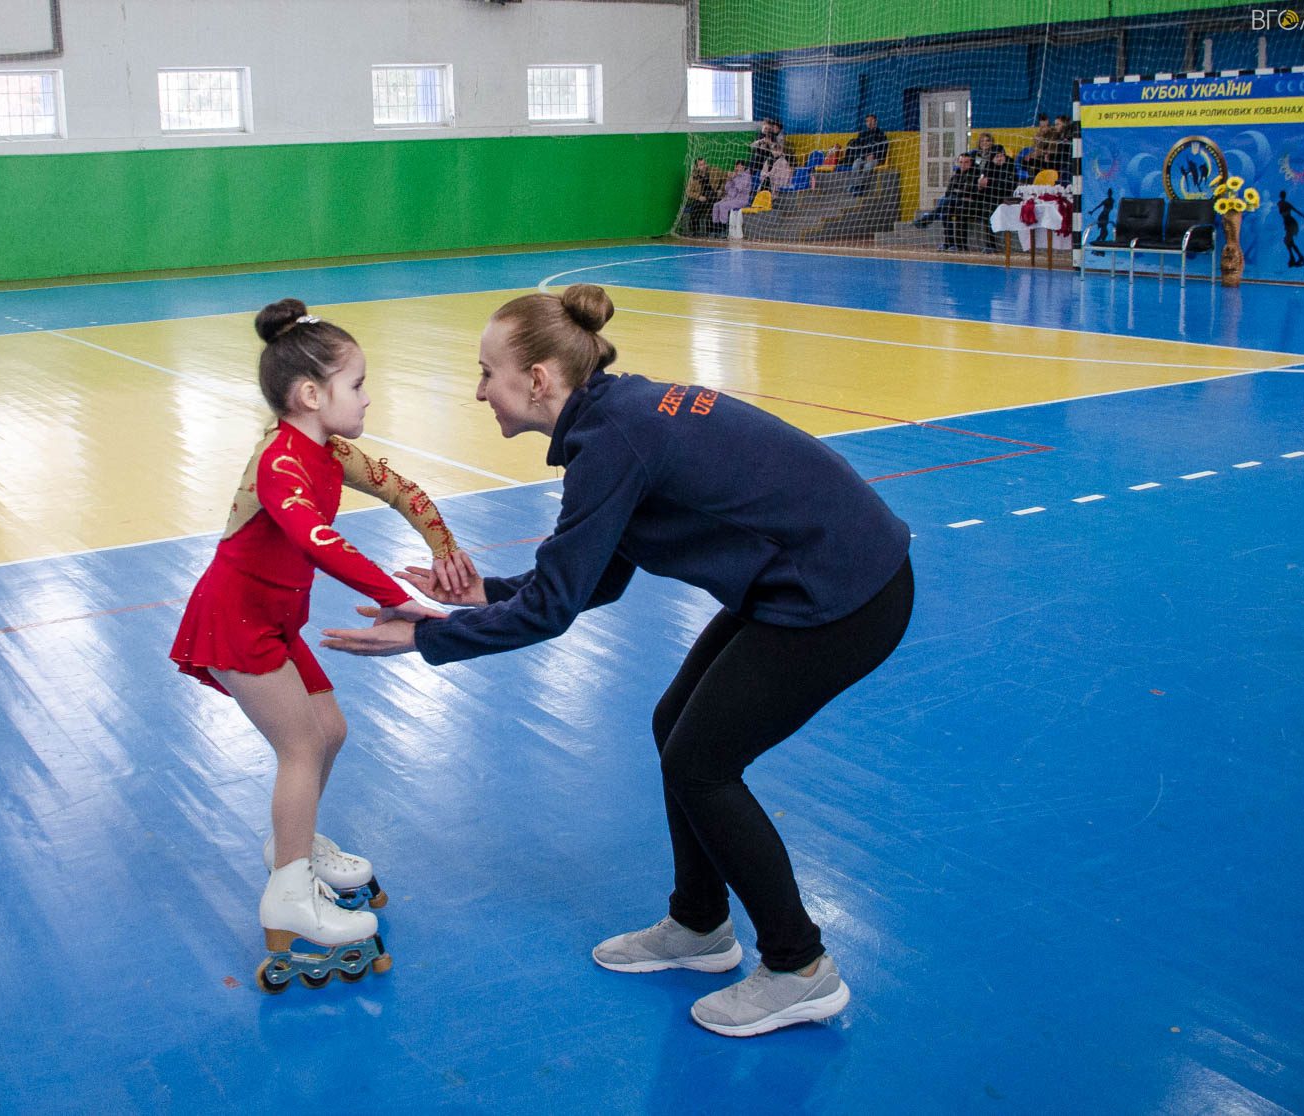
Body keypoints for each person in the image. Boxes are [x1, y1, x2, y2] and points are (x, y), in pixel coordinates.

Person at [322, 284, 915, 1038]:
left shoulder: (612, 442)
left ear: (538, 379)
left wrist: (425, 636)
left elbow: (553, 610)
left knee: (702, 763)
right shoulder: (614, 421)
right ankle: (700, 925)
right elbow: (597, 579)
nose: (478, 391)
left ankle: (800, 968)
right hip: (806, 580)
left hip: (846, 594)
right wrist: (482, 594)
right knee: (677, 727)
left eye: (486, 374)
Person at [169, 298, 467, 992]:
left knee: (330, 730)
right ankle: (287, 897)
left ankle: (292, 847)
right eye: (356, 384)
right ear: (310, 394)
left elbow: (403, 490)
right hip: (236, 619)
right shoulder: (280, 463)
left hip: (274, 620)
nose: (367, 397)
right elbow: (317, 540)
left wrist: (445, 550)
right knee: (300, 746)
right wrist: (398, 598)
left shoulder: (332, 453)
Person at [913, 151, 982, 251]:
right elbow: (948, 192)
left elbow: (968, 191)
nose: (963, 165)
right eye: (961, 162)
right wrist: (958, 193)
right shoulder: (956, 175)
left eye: (966, 162)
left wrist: (957, 192)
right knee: (946, 211)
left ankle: (928, 219)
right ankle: (949, 243)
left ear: (971, 163)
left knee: (947, 203)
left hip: (971, 204)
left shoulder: (975, 174)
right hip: (955, 202)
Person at [835, 114, 890, 194]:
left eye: (871, 121)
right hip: (864, 157)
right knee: (855, 164)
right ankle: (856, 186)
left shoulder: (881, 135)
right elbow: (858, 148)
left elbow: (883, 149)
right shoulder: (863, 135)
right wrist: (864, 156)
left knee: (868, 166)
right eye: (867, 121)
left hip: (875, 158)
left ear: (876, 122)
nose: (869, 123)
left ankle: (859, 187)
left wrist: (874, 155)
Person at [679, 157, 723, 237]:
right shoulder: (694, 177)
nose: (704, 166)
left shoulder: (714, 171)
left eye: (704, 164)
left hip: (713, 196)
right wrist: (698, 196)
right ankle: (695, 231)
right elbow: (688, 192)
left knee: (713, 210)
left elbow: (725, 176)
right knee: (694, 211)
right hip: (702, 197)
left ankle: (712, 232)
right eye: (701, 165)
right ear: (696, 167)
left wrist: (720, 189)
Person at [711, 159, 754, 230]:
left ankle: (723, 228)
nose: (737, 168)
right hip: (731, 198)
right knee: (716, 205)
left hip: (741, 199)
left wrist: (734, 178)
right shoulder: (735, 175)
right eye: (736, 166)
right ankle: (715, 227)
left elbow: (740, 188)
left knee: (723, 206)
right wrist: (729, 179)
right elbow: (726, 188)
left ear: (743, 167)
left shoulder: (747, 176)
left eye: (739, 166)